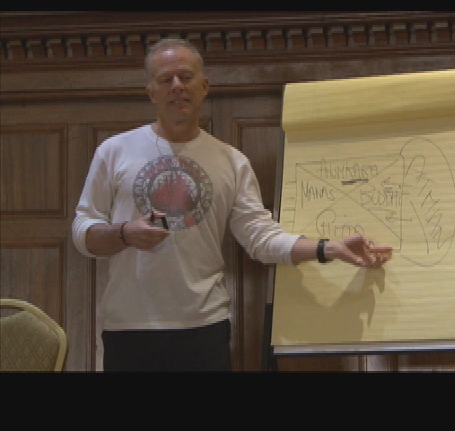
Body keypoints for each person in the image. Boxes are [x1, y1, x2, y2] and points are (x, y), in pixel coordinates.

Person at [72, 37, 393, 372]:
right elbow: (82, 232)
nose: (177, 86)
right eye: (166, 79)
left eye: (186, 77)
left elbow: (261, 239)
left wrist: (329, 248)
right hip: (129, 328)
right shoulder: (114, 151)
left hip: (204, 328)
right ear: (151, 92)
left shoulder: (231, 161)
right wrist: (124, 233)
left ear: (204, 86)